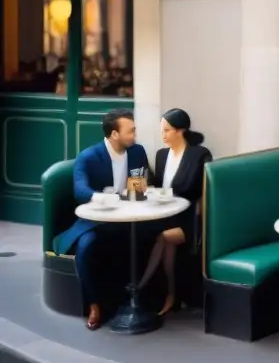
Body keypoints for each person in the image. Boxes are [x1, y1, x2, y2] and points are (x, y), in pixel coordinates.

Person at [52, 109, 151, 330]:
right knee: (86, 247)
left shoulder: (137, 152)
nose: (135, 135)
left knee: (152, 236)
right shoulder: (89, 156)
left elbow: (144, 180)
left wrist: (143, 188)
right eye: (130, 131)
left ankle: (139, 300)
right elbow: (80, 190)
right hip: (97, 221)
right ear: (114, 134)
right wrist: (106, 198)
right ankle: (94, 305)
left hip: (130, 219)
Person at [139, 109, 212, 316]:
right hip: (164, 215)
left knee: (165, 238)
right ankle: (165, 295)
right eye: (161, 130)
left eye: (167, 130)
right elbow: (157, 185)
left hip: (189, 219)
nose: (162, 135)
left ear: (180, 131)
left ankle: (143, 288)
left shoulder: (199, 155)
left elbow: (196, 190)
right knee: (145, 233)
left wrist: (161, 192)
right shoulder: (161, 155)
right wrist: (148, 186)